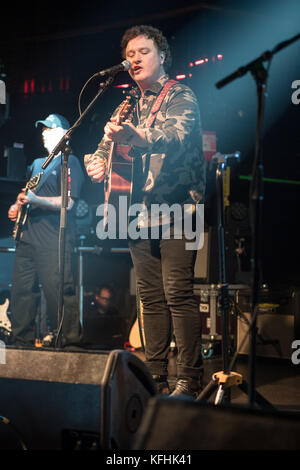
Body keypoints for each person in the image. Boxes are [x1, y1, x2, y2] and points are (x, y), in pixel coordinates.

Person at [84, 25, 206, 397]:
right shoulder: (127, 104)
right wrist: (97, 161)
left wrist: (137, 137)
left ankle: (189, 377)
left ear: (162, 56)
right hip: (137, 212)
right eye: (130, 54)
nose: (134, 59)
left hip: (179, 208)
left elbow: (175, 134)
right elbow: (107, 146)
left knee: (177, 292)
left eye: (143, 52)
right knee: (149, 296)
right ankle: (156, 377)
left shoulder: (180, 94)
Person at [8, 113, 85, 348]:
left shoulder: (69, 162)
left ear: (63, 134)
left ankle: (70, 341)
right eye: (42, 130)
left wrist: (35, 200)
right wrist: (17, 205)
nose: (43, 134)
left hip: (53, 236)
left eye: (49, 130)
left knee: (58, 290)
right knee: (22, 290)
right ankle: (20, 340)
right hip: (27, 236)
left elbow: (69, 203)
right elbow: (26, 194)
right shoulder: (37, 164)